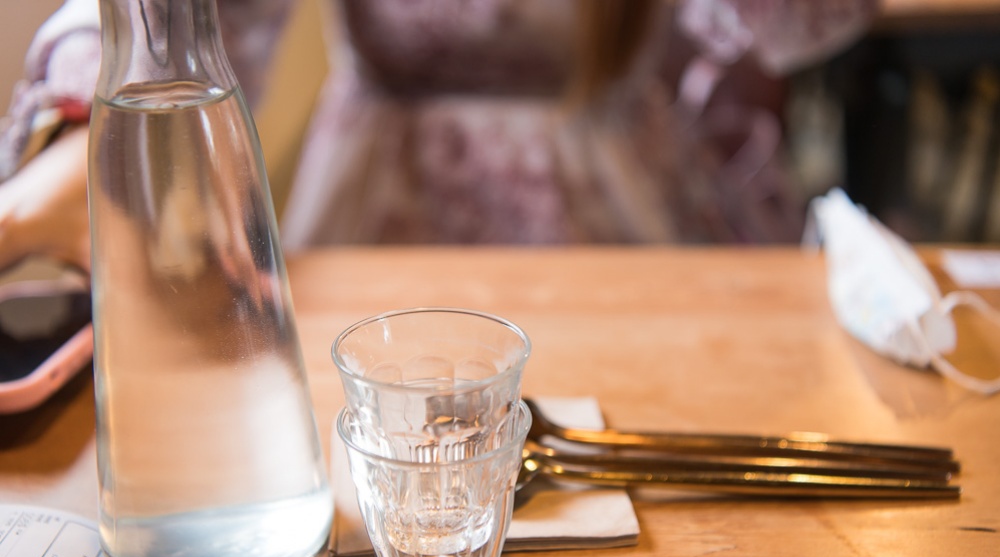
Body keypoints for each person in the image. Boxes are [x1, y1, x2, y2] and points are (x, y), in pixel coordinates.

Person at [0, 0, 877, 274]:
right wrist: (88, 132)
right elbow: (180, 21)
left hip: (623, 223)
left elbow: (803, 20)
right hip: (378, 214)